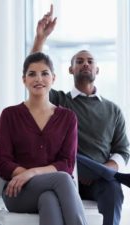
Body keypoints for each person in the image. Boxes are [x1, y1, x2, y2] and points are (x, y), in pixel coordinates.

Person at [32, 5, 130, 225]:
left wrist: (106, 171)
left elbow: (122, 150)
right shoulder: (59, 101)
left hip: (100, 179)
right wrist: (40, 39)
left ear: (97, 70)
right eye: (79, 61)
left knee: (114, 190)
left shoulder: (113, 110)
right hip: (65, 176)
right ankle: (118, 177)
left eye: (90, 61)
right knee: (71, 158)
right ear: (70, 70)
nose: (85, 64)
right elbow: (35, 74)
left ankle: (113, 177)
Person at [0, 52, 87, 225]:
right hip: (17, 191)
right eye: (32, 74)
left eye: (44, 73)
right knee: (63, 179)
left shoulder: (68, 117)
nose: (39, 79)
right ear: (24, 80)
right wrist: (27, 176)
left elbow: (66, 164)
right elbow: (3, 163)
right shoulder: (10, 115)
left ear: (53, 78)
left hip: (51, 189)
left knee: (49, 200)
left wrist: (33, 173)